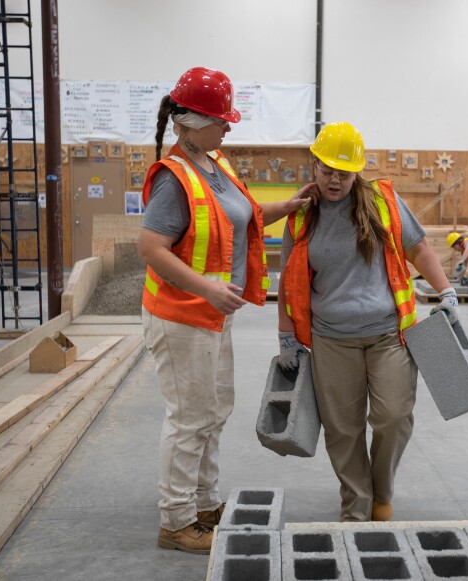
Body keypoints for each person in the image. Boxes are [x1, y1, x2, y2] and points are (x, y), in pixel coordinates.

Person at [138, 66, 310, 554]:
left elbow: (247, 217)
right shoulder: (175, 178)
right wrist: (209, 289)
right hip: (181, 316)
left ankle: (205, 502)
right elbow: (151, 248)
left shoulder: (216, 164)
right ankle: (175, 520)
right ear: (191, 122)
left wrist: (291, 207)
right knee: (190, 417)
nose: (228, 127)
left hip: (212, 314)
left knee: (213, 412)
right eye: (221, 121)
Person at [276, 122, 459, 523]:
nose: (335, 180)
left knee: (394, 417)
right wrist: (286, 333)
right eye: (327, 171)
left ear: (357, 170)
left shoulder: (382, 202)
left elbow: (419, 248)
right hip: (330, 339)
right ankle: (355, 505)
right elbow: (290, 280)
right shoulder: (301, 217)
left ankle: (382, 490)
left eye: (344, 172)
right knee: (343, 430)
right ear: (315, 166)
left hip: (388, 334)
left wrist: (445, 291)